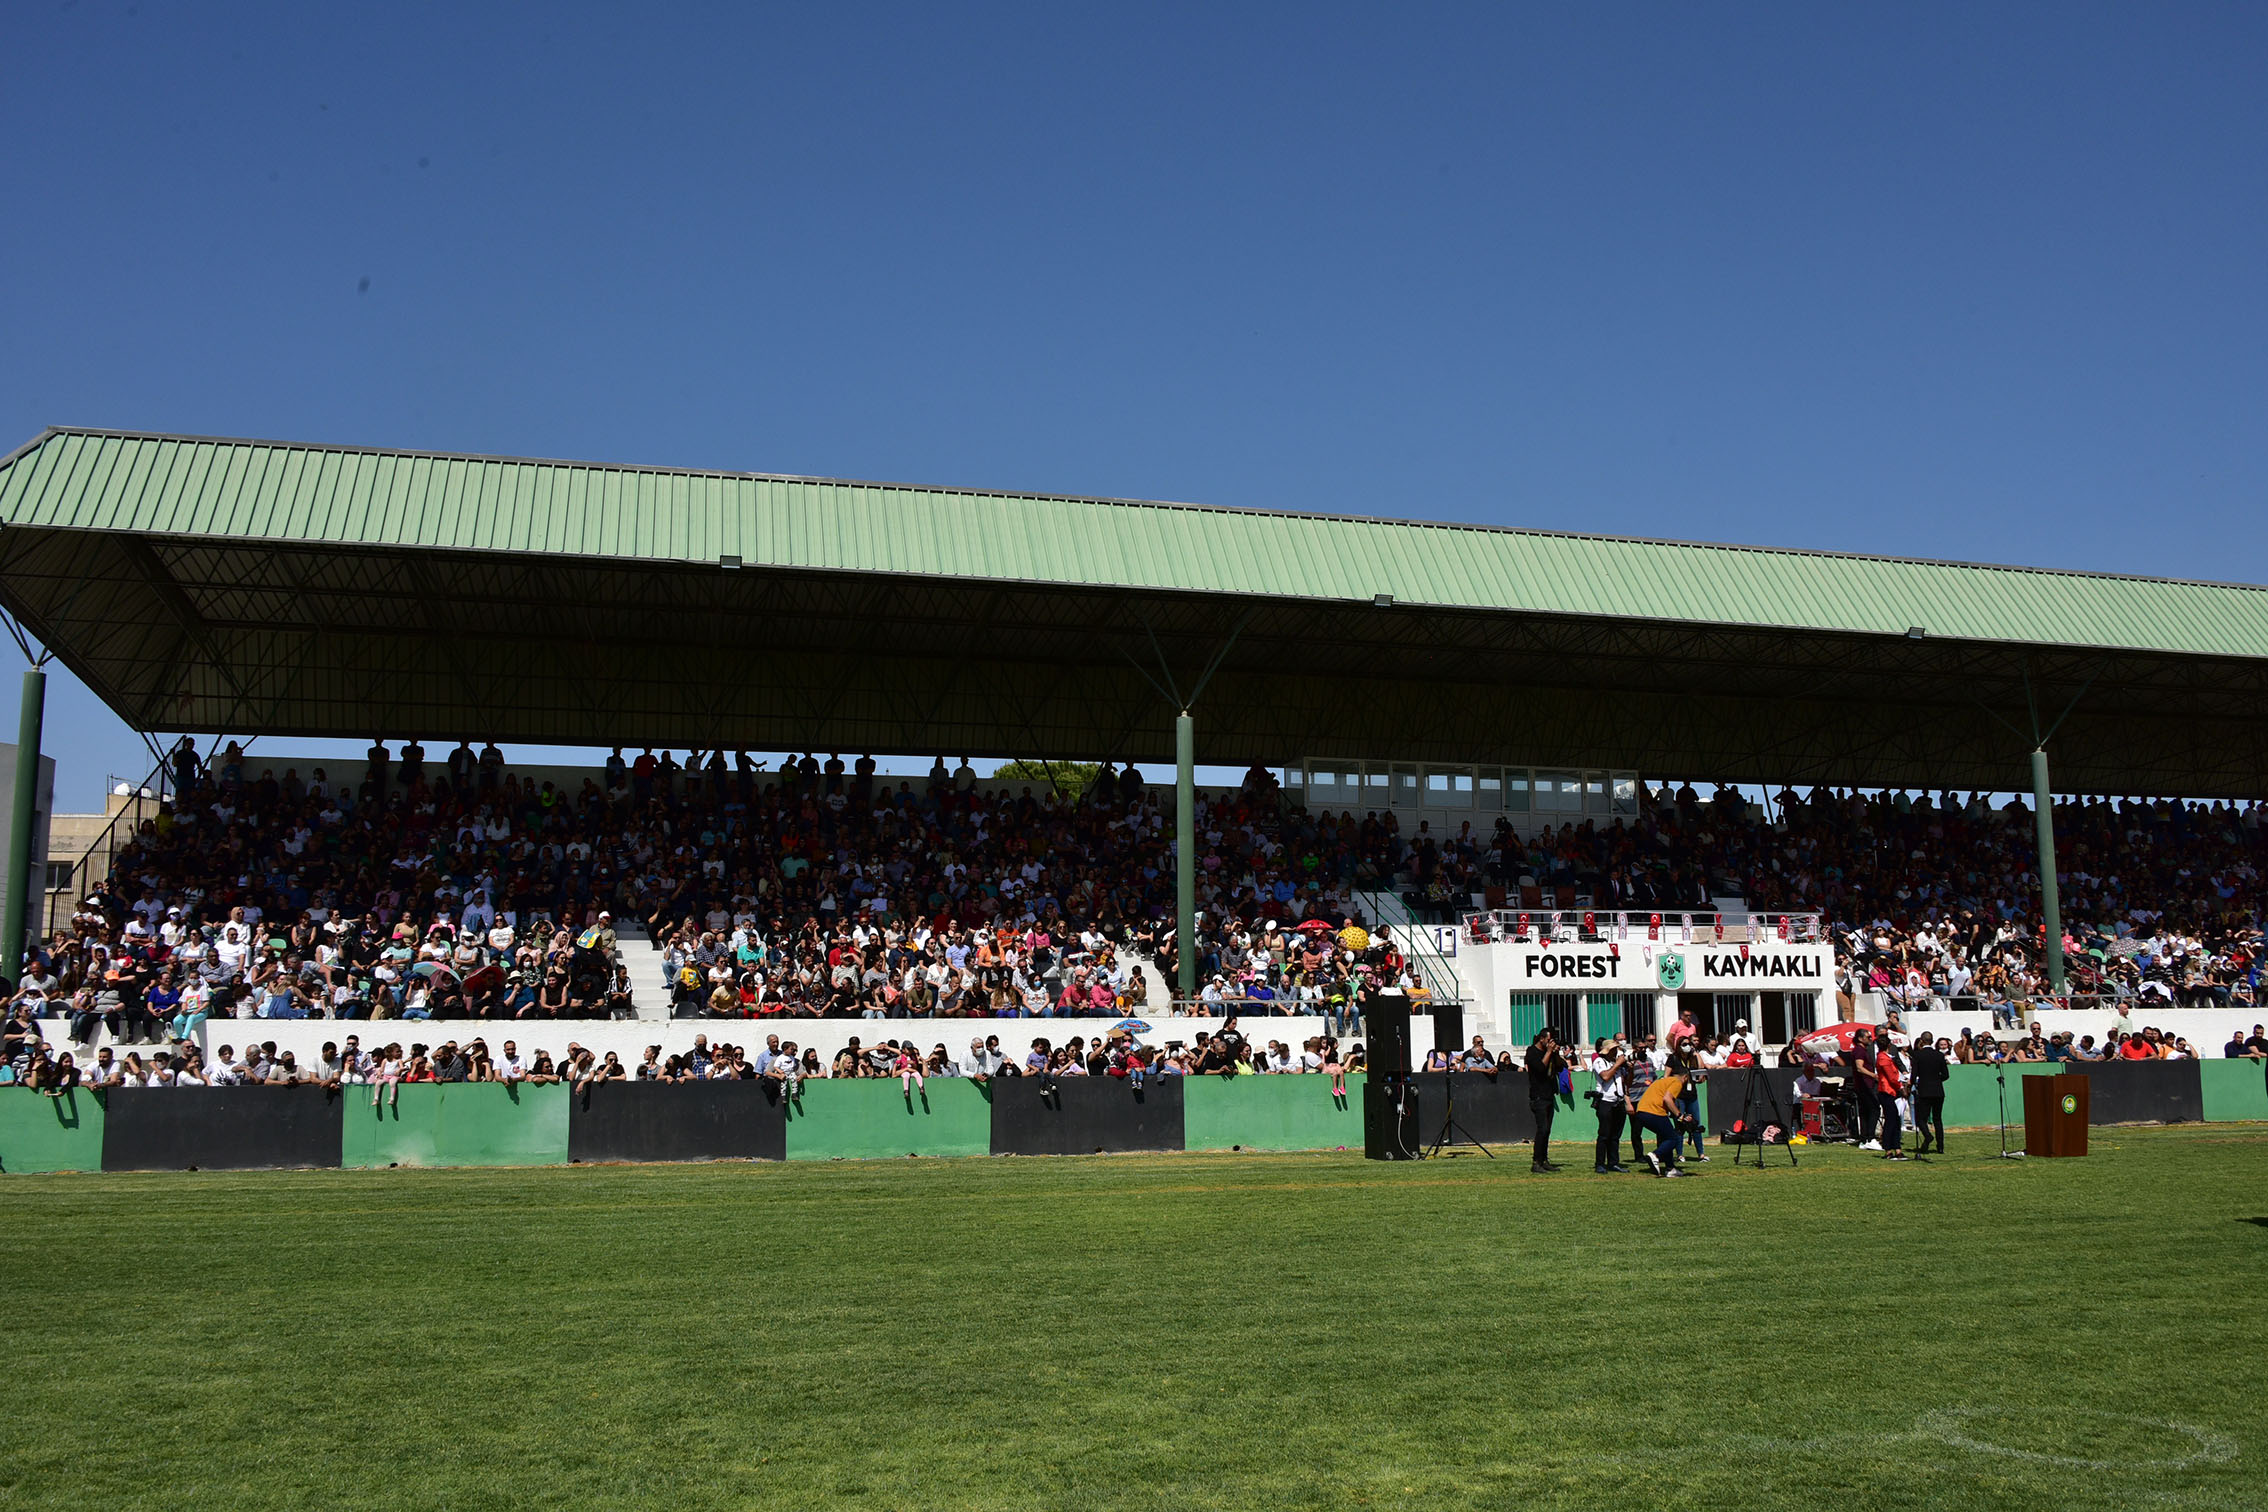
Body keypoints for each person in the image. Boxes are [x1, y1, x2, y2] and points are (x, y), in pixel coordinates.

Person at [1630, 1062, 1698, 1177]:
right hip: (1654, 1112)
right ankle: (1655, 1155)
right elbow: (1667, 1099)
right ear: (1685, 1077)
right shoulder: (1677, 1082)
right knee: (1673, 1138)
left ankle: (1670, 1168)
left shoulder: (1663, 1081)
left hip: (1641, 1112)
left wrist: (1677, 1115)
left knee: (1666, 1138)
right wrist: (1680, 1116)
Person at [1524, 1027, 1567, 1173]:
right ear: (1542, 1039)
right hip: (1538, 1096)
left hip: (1549, 1095)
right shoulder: (1532, 1052)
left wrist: (1555, 1053)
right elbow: (1540, 1069)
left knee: (1547, 1130)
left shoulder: (1550, 1053)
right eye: (1549, 1040)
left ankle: (1544, 1160)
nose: (1550, 1043)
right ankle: (1536, 1162)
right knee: (1542, 1129)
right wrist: (1548, 1052)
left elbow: (1561, 1067)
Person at [1588, 1037, 1630, 1174]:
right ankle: (1600, 1163)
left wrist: (1629, 1067)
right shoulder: (1599, 1061)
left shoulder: (1615, 1062)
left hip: (1618, 1101)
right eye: (1612, 1050)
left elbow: (1626, 1080)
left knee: (1615, 1135)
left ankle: (1613, 1162)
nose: (1615, 1052)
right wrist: (1617, 1064)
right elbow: (1605, 1077)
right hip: (1605, 1101)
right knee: (1604, 1134)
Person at [1910, 1034, 1950, 1155]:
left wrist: (1914, 1084)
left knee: (1921, 1118)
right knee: (1937, 1119)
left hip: (1924, 1090)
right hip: (1938, 1090)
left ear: (1922, 1041)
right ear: (1932, 1041)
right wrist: (1936, 1080)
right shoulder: (1939, 1055)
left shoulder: (1917, 1055)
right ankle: (1940, 1146)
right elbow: (1946, 1075)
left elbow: (1914, 1075)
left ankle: (1927, 1136)